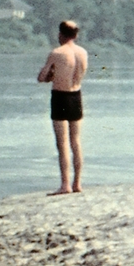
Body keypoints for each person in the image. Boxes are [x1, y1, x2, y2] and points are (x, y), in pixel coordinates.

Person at [38, 20, 88, 195]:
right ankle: (77, 183)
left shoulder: (57, 53)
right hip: (76, 95)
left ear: (60, 34)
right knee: (76, 141)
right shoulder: (83, 52)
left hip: (60, 96)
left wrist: (51, 74)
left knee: (62, 143)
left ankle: (65, 184)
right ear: (76, 35)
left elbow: (42, 77)